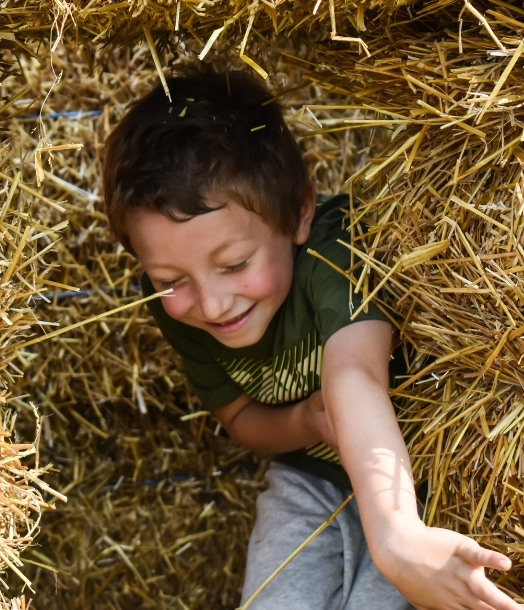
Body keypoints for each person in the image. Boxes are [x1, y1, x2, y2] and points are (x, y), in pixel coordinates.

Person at [102, 64, 518, 610]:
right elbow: (240, 417)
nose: (212, 303)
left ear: (300, 212)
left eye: (234, 264)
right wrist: (307, 421)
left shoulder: (336, 250)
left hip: (413, 479)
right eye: (170, 280)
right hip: (309, 481)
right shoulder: (176, 308)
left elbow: (355, 373)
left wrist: (397, 534)